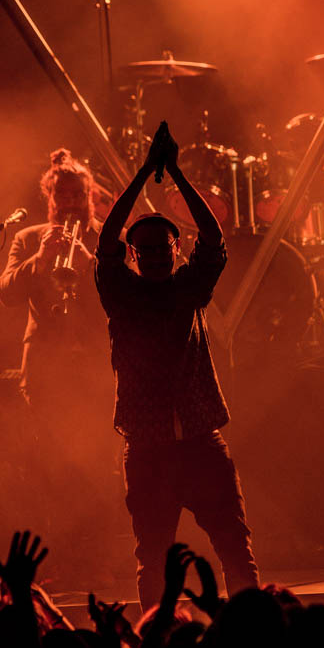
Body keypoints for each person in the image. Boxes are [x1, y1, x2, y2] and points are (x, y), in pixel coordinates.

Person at [95, 121, 259, 610]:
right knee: (155, 559)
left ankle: (254, 641)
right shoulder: (122, 296)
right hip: (148, 449)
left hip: (200, 444)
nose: (153, 258)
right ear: (134, 255)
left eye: (161, 249)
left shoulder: (187, 290)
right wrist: (147, 172)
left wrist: (177, 176)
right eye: (142, 251)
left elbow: (213, 240)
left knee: (234, 550)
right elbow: (106, 245)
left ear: (176, 250)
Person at [0, 149, 113, 566]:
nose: (70, 202)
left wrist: (91, 264)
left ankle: (100, 557)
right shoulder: (29, 238)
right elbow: (6, 292)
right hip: (47, 369)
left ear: (91, 194)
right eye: (61, 194)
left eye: (78, 194)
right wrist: (41, 259)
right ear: (49, 195)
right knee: (51, 466)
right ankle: (61, 560)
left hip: (98, 367)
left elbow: (131, 298)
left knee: (99, 463)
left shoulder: (108, 236)